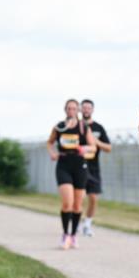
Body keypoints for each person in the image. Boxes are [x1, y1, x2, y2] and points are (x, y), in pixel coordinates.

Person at [47, 99, 96, 249]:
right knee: (67, 203)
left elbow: (93, 147)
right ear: (65, 110)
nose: (71, 111)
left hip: (79, 166)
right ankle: (65, 234)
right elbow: (49, 142)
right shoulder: (59, 127)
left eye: (74, 108)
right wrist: (53, 153)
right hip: (63, 165)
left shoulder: (83, 127)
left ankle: (73, 235)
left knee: (77, 205)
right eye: (69, 108)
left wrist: (85, 149)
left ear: (78, 111)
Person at [79, 99, 112, 237]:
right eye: (84, 107)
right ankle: (75, 223)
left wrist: (96, 141)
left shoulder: (98, 128)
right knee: (78, 198)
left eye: (89, 108)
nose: (86, 110)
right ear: (80, 110)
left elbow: (109, 148)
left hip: (93, 168)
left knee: (93, 198)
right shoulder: (75, 126)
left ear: (92, 110)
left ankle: (87, 225)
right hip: (78, 166)